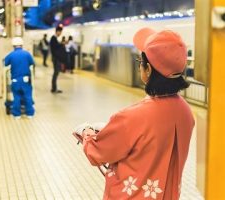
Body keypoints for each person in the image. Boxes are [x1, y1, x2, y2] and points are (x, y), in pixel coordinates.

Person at [79, 28, 195, 199]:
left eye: (140, 61)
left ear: (148, 69)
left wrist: (86, 132)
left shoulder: (131, 117)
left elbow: (98, 154)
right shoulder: (186, 112)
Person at [4, 37, 35, 119]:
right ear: (22, 45)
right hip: (25, 80)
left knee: (16, 97)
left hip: (15, 80)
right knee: (28, 96)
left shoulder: (11, 55)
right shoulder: (27, 54)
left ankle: (17, 115)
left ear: (13, 46)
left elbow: (5, 63)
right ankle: (30, 114)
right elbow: (32, 63)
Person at [50, 26, 65, 93]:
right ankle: (54, 88)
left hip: (56, 58)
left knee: (56, 73)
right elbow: (55, 49)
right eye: (60, 32)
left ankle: (54, 88)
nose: (60, 33)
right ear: (57, 31)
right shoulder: (53, 38)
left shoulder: (54, 39)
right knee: (56, 73)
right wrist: (61, 44)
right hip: (56, 58)